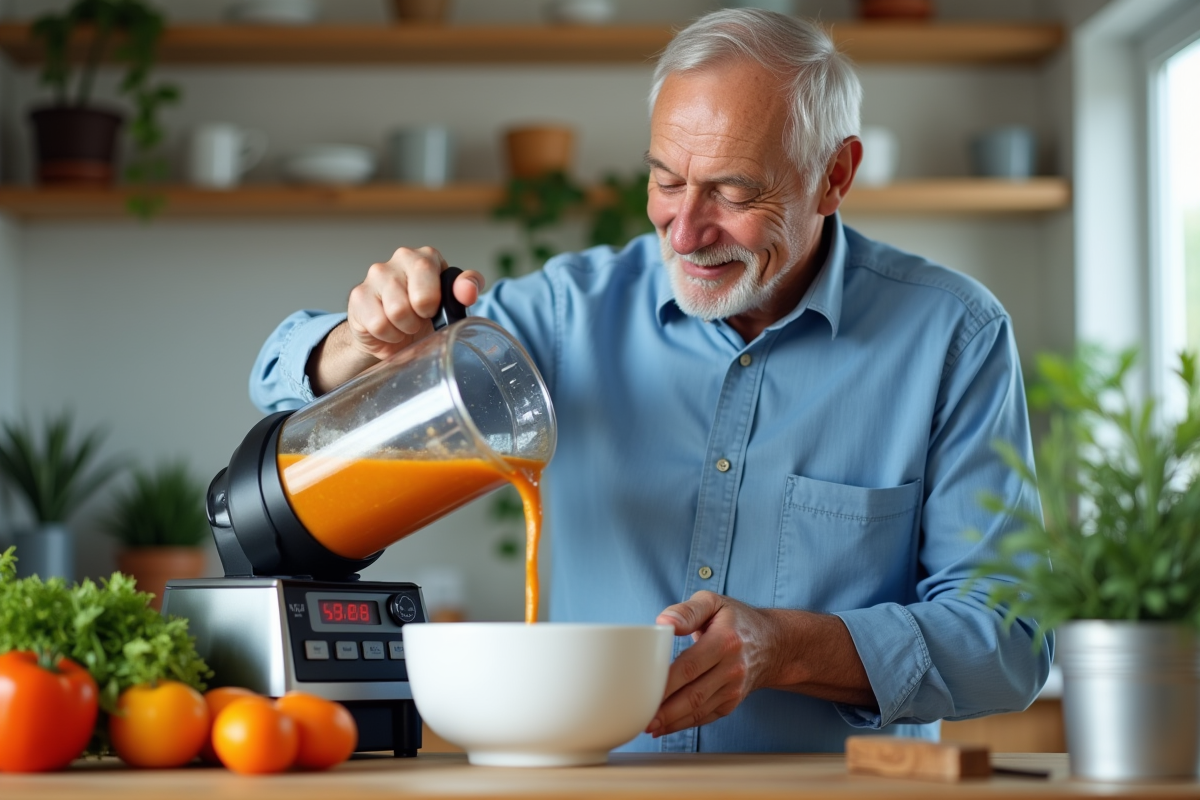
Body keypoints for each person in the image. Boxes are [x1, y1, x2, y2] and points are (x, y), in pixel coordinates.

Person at [250, 9, 1052, 753]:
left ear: (835, 176)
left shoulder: (952, 335)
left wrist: (789, 648)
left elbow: (1010, 640)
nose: (687, 228)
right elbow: (285, 387)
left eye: (734, 192)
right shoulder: (568, 313)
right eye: (667, 181)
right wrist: (358, 340)